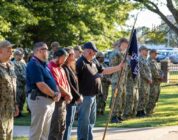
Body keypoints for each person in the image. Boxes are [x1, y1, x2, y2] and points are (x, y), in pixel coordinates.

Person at [77, 41, 125, 140]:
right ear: (88, 51)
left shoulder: (94, 61)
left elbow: (104, 70)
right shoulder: (80, 62)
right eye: (93, 52)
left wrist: (118, 67)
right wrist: (77, 95)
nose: (94, 54)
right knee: (84, 121)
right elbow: (75, 80)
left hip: (93, 95)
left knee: (91, 121)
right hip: (85, 96)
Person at [26, 42, 61, 140]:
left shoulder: (44, 64)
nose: (48, 51)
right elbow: (40, 85)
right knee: (37, 132)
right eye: (45, 49)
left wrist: (57, 92)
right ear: (38, 51)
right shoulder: (33, 64)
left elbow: (52, 81)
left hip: (48, 100)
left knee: (44, 134)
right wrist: (54, 93)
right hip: (39, 99)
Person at [48, 48, 72, 140]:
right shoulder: (50, 67)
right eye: (63, 58)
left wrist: (69, 94)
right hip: (56, 101)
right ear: (57, 57)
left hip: (63, 101)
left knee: (62, 127)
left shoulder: (61, 68)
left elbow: (66, 82)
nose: (65, 60)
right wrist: (68, 94)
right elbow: (56, 85)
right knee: (55, 128)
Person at [0, 40, 19, 140]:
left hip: (9, 109)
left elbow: (13, 86)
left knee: (8, 135)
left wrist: (16, 104)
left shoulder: (11, 66)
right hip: (1, 109)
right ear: (0, 51)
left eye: (11, 50)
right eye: (8, 50)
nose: (11, 53)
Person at [63, 47, 83, 140]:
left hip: (73, 100)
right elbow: (69, 85)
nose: (74, 56)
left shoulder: (70, 67)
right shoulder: (64, 67)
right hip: (69, 100)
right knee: (67, 124)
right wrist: (78, 96)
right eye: (71, 54)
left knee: (69, 123)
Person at [110, 38, 129, 123]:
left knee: (121, 98)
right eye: (125, 44)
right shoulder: (116, 53)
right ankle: (113, 116)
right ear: (121, 44)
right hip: (116, 79)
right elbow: (112, 66)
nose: (126, 46)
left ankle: (118, 115)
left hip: (123, 80)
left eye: (127, 45)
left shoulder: (123, 54)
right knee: (116, 98)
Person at [146, 49, 163, 115]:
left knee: (156, 97)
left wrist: (161, 75)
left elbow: (159, 70)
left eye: (157, 54)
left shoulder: (154, 61)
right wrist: (159, 77)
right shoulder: (150, 61)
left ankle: (152, 110)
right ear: (151, 53)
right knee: (152, 97)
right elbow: (153, 72)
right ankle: (148, 111)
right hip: (153, 83)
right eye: (155, 53)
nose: (156, 55)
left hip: (157, 82)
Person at [137, 46, 152, 117]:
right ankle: (139, 111)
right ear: (142, 51)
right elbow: (142, 71)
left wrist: (149, 78)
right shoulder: (139, 59)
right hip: (142, 81)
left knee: (146, 96)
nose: (147, 52)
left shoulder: (145, 59)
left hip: (147, 81)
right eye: (146, 50)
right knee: (142, 96)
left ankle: (142, 110)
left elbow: (148, 71)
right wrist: (148, 78)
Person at [12, 49, 26, 117]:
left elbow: (26, 72)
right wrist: (25, 79)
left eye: (21, 55)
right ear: (15, 55)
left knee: (22, 99)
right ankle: (16, 113)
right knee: (17, 99)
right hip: (18, 84)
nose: (20, 56)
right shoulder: (13, 63)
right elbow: (18, 75)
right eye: (19, 55)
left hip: (23, 85)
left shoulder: (23, 63)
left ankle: (20, 111)